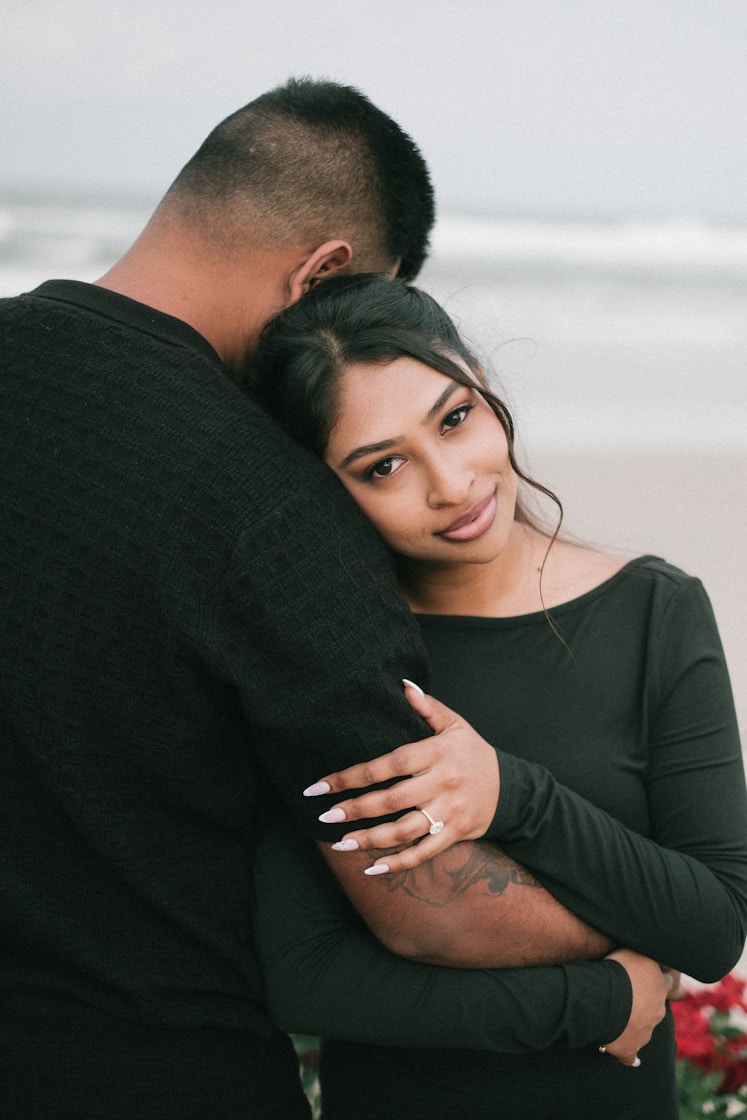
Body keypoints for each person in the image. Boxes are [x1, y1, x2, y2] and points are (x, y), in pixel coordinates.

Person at [0, 77, 480, 1120]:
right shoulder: (275, 509)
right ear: (324, 274)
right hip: (160, 1073)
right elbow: (424, 906)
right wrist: (627, 958)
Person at [246, 273, 747, 1120]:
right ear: (326, 488)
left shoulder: (654, 610)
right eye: (384, 465)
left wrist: (511, 795)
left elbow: (711, 926)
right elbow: (308, 977)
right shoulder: (331, 660)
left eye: (454, 417)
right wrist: (596, 997)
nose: (451, 483)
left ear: (482, 381)